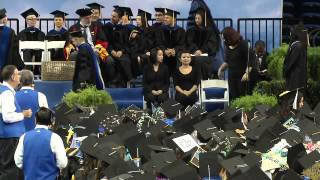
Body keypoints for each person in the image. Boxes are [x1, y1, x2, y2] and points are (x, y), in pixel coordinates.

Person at [14, 107, 68, 180]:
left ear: (35, 120)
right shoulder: (55, 138)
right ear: (51, 121)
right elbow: (62, 163)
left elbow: (18, 161)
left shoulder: (24, 137)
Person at [0, 65, 32, 180]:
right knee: (10, 170)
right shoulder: (7, 93)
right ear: (13, 77)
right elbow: (7, 117)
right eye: (18, 73)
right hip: (9, 138)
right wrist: (23, 114)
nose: (20, 76)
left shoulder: (4, 90)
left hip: (6, 137)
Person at [218, 27, 253, 101]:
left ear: (230, 37)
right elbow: (227, 61)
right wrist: (221, 69)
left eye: (224, 38)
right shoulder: (227, 46)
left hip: (242, 77)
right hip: (231, 77)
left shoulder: (244, 44)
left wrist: (247, 73)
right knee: (233, 98)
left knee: (242, 98)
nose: (223, 40)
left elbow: (250, 61)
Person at [186, 7, 219, 80]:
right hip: (193, 54)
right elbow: (189, 42)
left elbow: (211, 44)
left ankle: (201, 81)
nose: (196, 20)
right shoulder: (191, 30)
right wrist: (195, 50)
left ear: (203, 19)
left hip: (207, 55)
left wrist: (202, 51)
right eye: (195, 18)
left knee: (200, 61)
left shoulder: (210, 31)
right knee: (192, 59)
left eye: (198, 18)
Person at [103, 6, 132, 87]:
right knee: (110, 61)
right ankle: (111, 83)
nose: (111, 18)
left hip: (121, 52)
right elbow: (106, 42)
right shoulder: (106, 27)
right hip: (110, 51)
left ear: (119, 18)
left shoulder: (124, 28)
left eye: (114, 16)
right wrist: (112, 51)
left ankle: (123, 84)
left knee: (125, 60)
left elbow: (127, 43)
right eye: (111, 16)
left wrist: (121, 51)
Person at [155, 9, 186, 75]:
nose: (165, 19)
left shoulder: (181, 30)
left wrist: (175, 50)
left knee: (180, 55)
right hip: (165, 52)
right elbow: (159, 43)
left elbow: (182, 44)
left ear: (174, 19)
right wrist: (165, 51)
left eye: (167, 18)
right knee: (159, 53)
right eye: (164, 17)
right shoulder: (160, 30)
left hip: (176, 53)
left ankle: (179, 78)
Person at [18, 8, 45, 75]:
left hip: (37, 51)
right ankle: (28, 71)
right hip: (27, 52)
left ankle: (37, 70)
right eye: (30, 19)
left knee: (40, 51)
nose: (33, 21)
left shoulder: (41, 33)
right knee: (26, 51)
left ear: (36, 21)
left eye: (34, 19)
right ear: (26, 21)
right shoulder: (22, 33)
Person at [0, 8, 24, 79]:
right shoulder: (10, 32)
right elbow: (15, 50)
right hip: (6, 68)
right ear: (4, 20)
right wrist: (20, 65)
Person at [283, 24, 308, 91]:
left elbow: (291, 62)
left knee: (294, 99)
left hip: (295, 80)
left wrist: (285, 72)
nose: (290, 34)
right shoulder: (299, 45)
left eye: (291, 32)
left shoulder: (297, 46)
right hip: (297, 79)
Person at [129, 9, 153, 77]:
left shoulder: (150, 30)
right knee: (135, 57)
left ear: (144, 20)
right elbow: (132, 44)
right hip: (137, 52)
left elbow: (150, 43)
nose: (137, 21)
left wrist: (138, 37)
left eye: (139, 19)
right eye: (136, 19)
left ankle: (148, 78)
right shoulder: (135, 30)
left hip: (147, 51)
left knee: (147, 57)